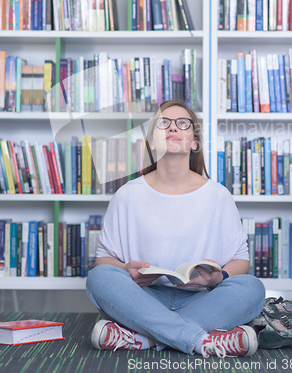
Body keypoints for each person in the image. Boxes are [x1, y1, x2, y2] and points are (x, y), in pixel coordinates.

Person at [86, 100, 266, 358]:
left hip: (202, 300)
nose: (173, 128)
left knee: (252, 288)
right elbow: (103, 259)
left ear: (194, 142)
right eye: (163, 123)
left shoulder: (218, 195)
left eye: (183, 123)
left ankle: (143, 338)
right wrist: (127, 270)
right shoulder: (127, 195)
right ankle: (204, 341)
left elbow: (240, 261)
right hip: (141, 299)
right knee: (100, 277)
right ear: (151, 142)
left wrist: (218, 278)